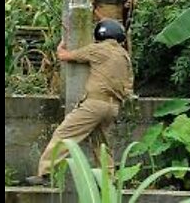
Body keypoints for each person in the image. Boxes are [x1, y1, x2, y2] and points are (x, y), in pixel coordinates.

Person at [26, 19, 134, 186]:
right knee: (102, 144)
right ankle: (109, 180)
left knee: (64, 134)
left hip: (94, 105)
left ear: (100, 34)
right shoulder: (124, 55)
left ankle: (46, 173)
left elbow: (65, 56)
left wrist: (60, 47)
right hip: (113, 107)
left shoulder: (98, 49)